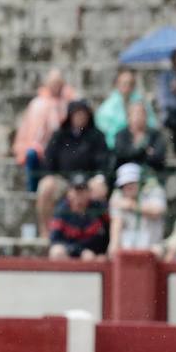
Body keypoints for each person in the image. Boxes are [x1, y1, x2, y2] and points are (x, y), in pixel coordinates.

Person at [37, 99, 110, 235]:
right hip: (64, 180)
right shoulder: (59, 135)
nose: (80, 117)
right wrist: (51, 176)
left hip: (88, 181)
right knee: (45, 187)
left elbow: (104, 163)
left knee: (100, 190)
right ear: (70, 116)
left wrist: (99, 178)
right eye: (77, 114)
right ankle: (46, 233)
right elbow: (48, 161)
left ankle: (100, 234)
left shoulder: (97, 136)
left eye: (84, 114)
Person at [15, 68, 78, 184]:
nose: (56, 86)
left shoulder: (70, 102)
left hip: (62, 147)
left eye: (58, 83)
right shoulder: (38, 104)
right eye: (53, 83)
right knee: (31, 154)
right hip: (41, 147)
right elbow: (31, 131)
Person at [107, 162, 166, 256]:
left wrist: (132, 205)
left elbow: (157, 211)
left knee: (158, 250)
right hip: (127, 250)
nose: (129, 187)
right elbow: (116, 223)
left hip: (152, 248)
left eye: (132, 183)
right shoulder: (117, 197)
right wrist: (114, 245)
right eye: (125, 184)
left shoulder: (154, 191)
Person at [48, 174, 109, 261]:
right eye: (76, 190)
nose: (79, 195)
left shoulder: (99, 208)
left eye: (83, 190)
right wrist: (80, 251)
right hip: (70, 254)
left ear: (89, 193)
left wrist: (103, 253)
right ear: (69, 193)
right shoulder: (61, 210)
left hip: (95, 255)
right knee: (56, 251)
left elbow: (109, 231)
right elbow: (55, 240)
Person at [94, 68, 154, 146]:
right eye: (124, 83)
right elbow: (104, 131)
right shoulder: (107, 107)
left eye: (130, 83)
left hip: (141, 144)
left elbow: (152, 124)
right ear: (117, 84)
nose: (127, 86)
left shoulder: (142, 102)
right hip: (116, 146)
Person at [113, 101, 167, 176]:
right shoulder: (121, 135)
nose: (138, 117)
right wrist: (143, 150)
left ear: (146, 116)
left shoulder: (155, 134)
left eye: (141, 113)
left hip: (151, 173)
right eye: (135, 113)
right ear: (128, 117)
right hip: (126, 174)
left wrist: (134, 151)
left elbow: (158, 158)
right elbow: (121, 156)